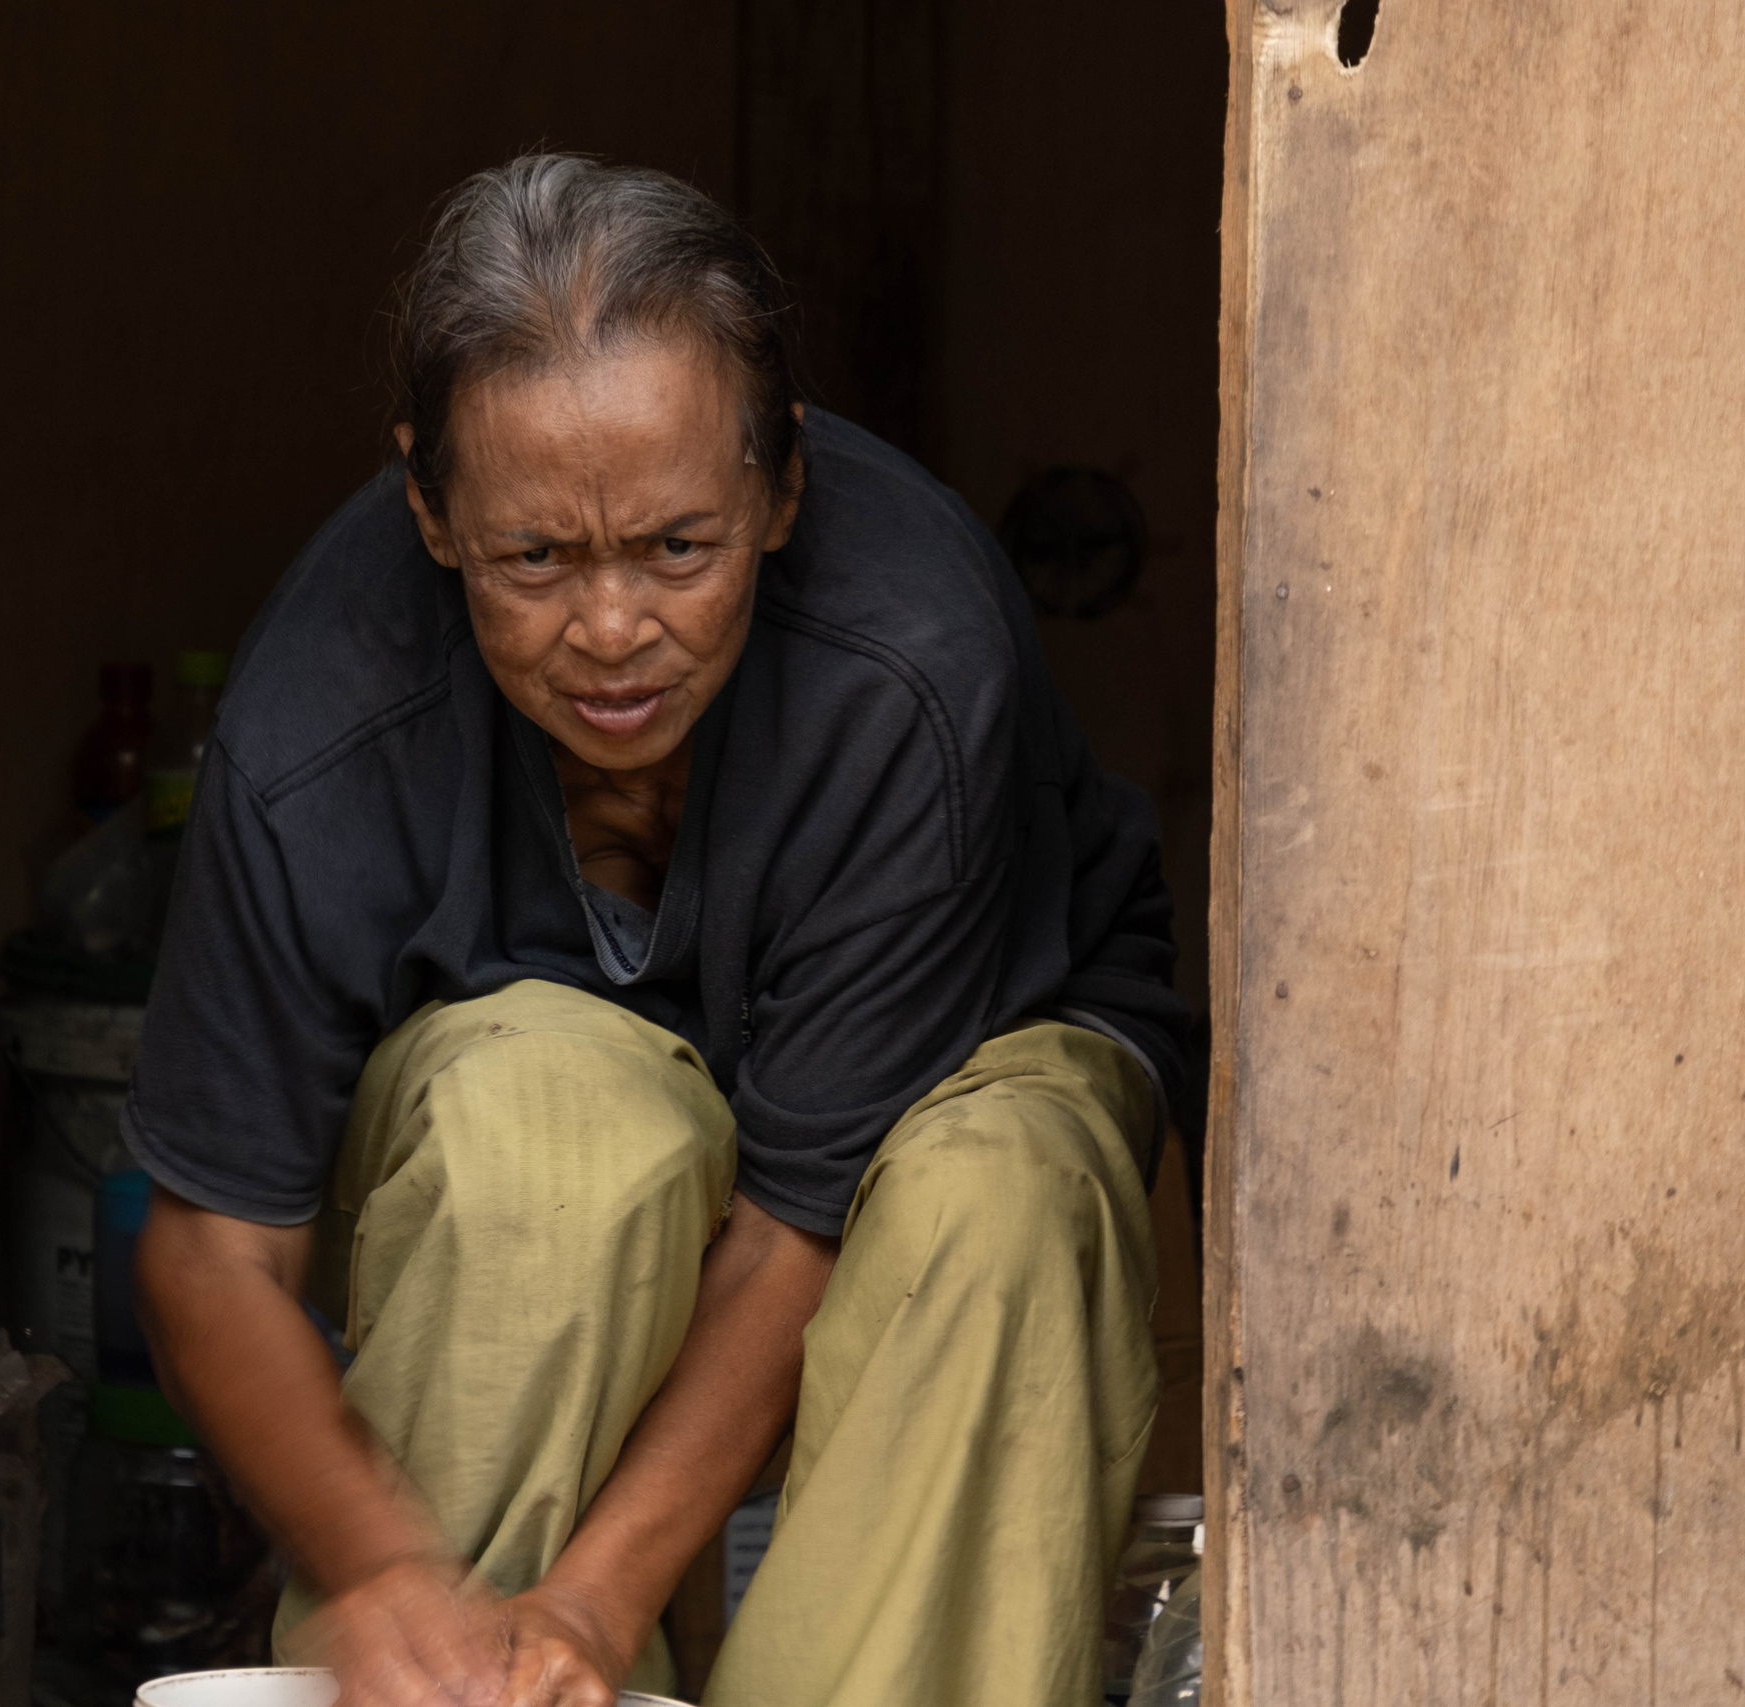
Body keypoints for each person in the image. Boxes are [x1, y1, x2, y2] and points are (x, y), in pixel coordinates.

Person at [126, 155, 1185, 1707]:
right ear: (428, 506)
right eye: (533, 559)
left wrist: (593, 1606)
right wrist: (390, 1571)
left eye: (679, 549)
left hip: (966, 1075)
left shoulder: (911, 661)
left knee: (991, 1206)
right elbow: (213, 1252)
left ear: (782, 485)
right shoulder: (322, 723)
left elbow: (799, 1221)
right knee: (544, 1145)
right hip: (555, 1097)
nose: (612, 631)